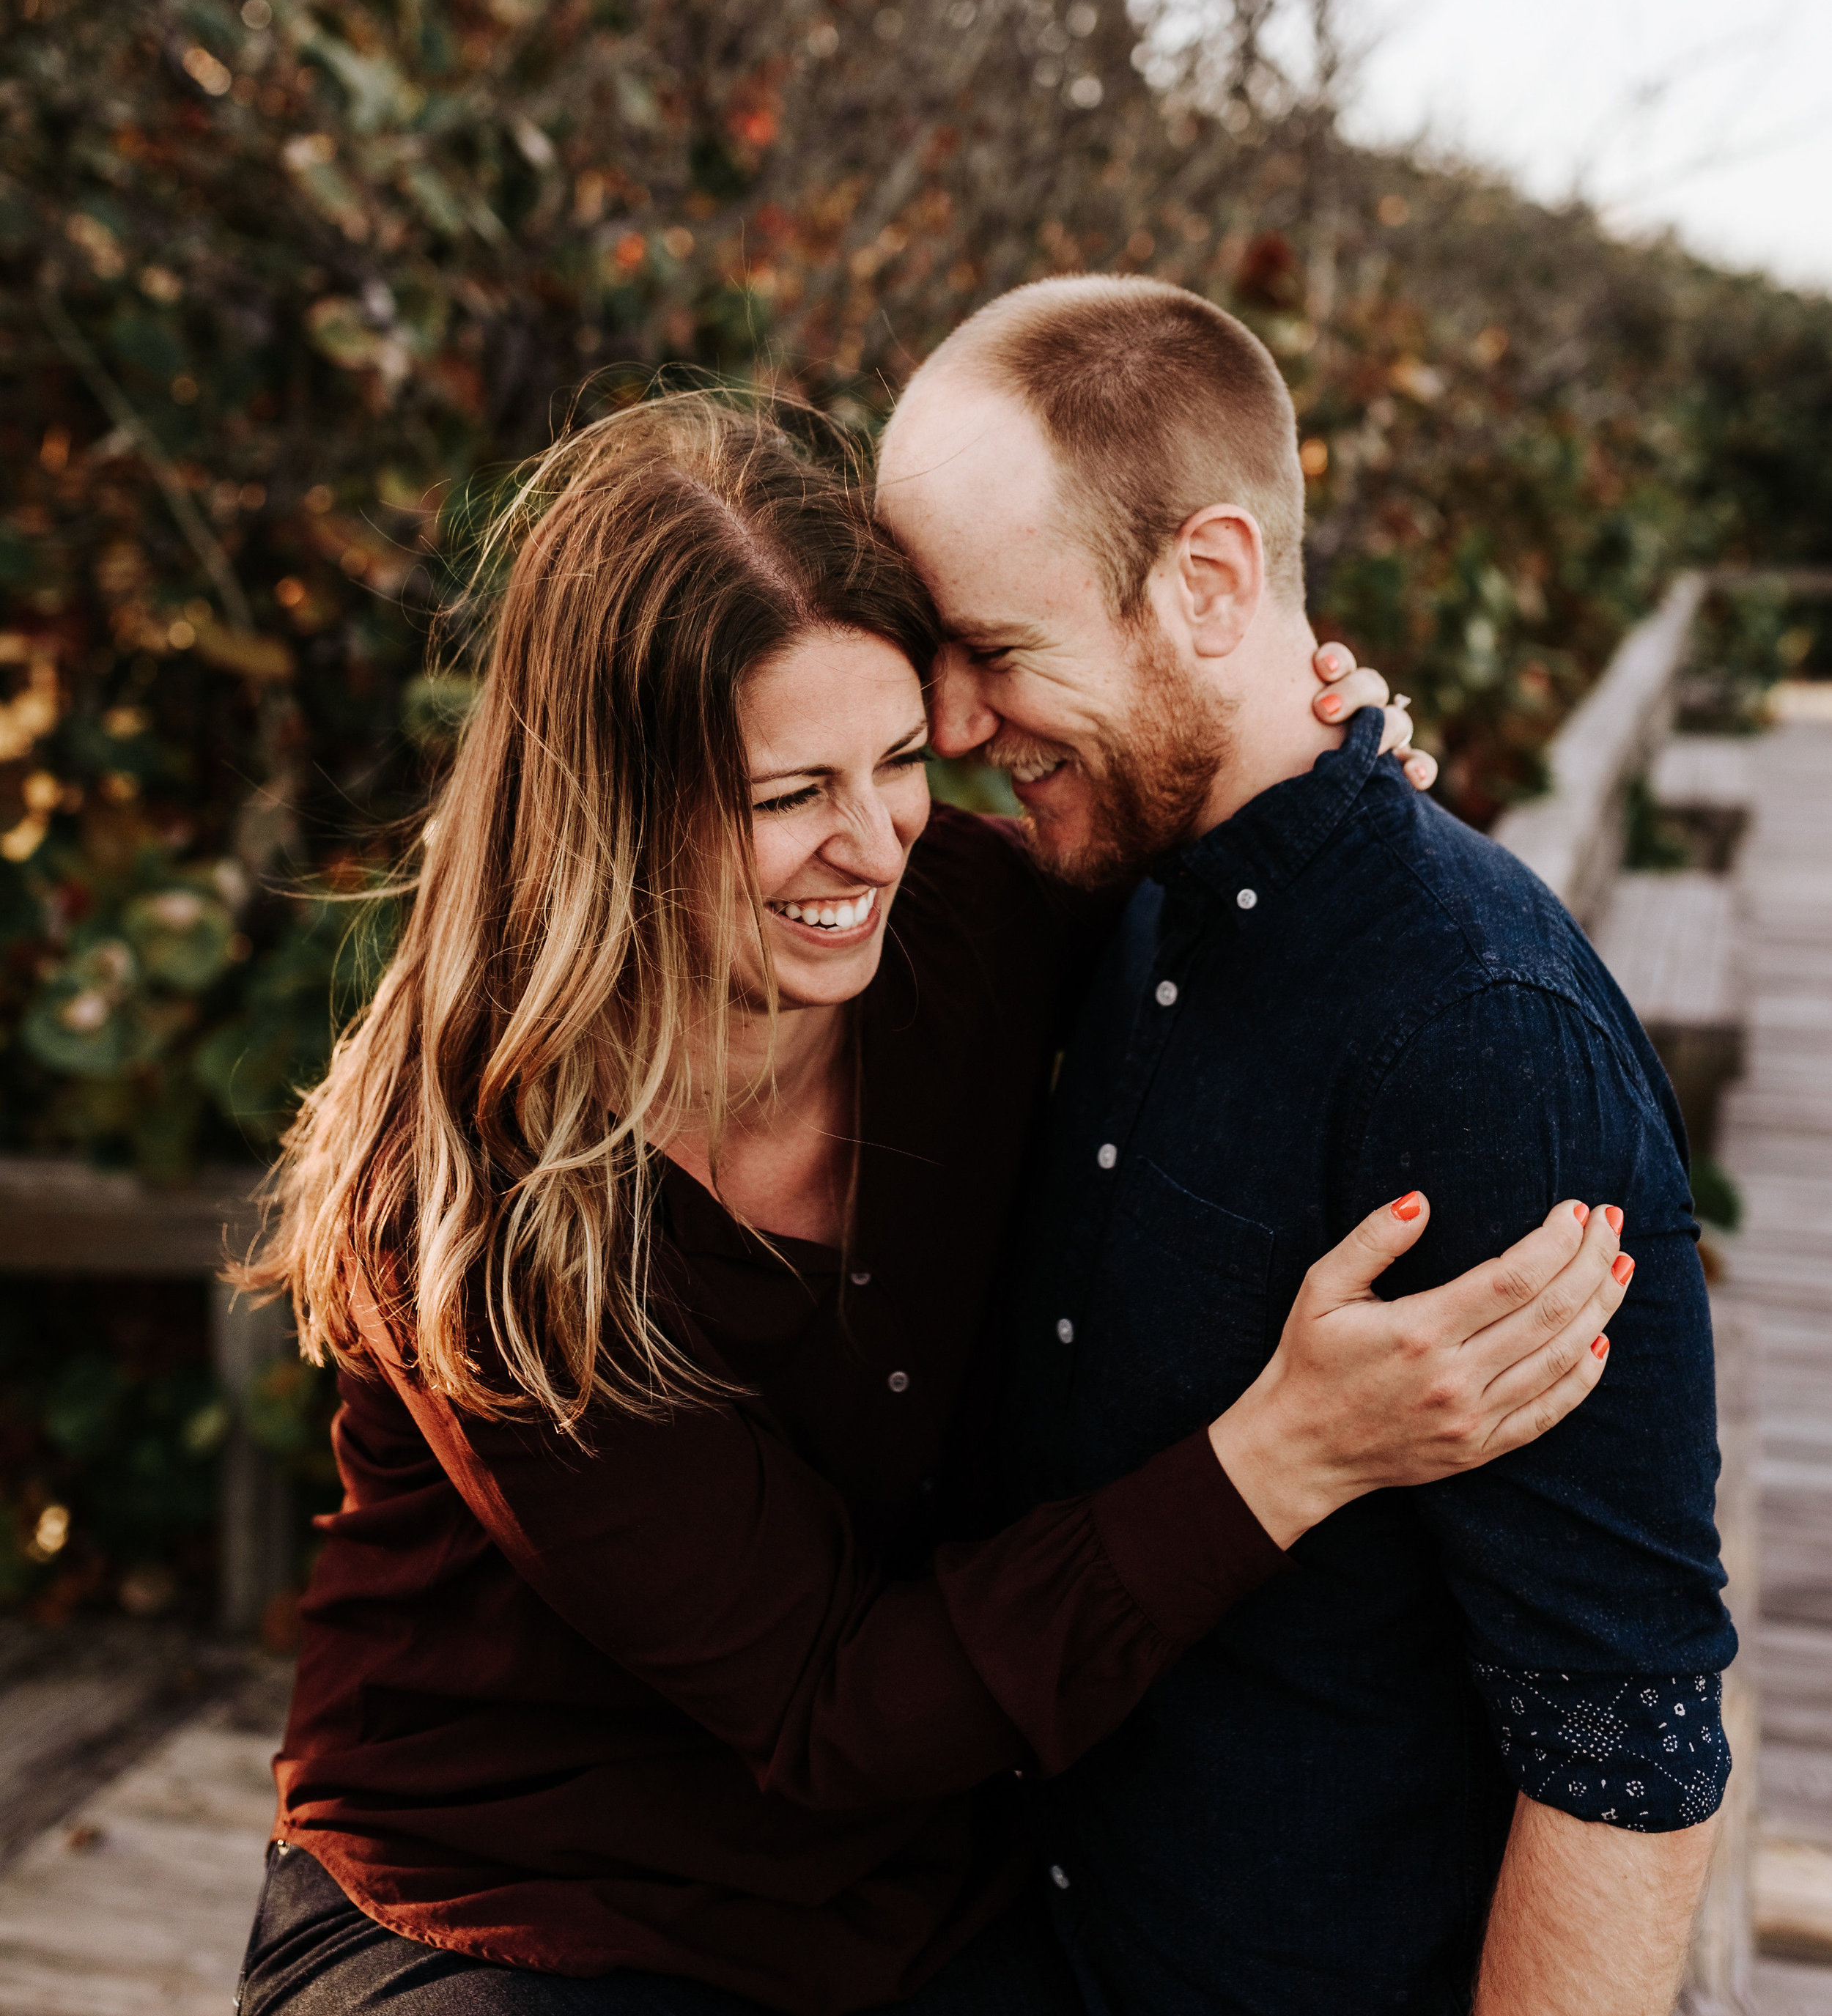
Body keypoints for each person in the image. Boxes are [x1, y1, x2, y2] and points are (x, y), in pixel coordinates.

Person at [233, 394, 1631, 2016]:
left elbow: (1236, 883)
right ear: (606, 809)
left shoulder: (962, 931)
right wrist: (1283, 1455)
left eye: (896, 759)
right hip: (518, 1900)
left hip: (918, 1885)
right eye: (783, 794)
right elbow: (829, 1699)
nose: (870, 842)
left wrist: (1311, 750)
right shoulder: (470, 1193)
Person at [874, 276, 1736, 2016]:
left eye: (995, 650)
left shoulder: (1476, 1038)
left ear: (1207, 583)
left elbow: (1620, 1743)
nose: (954, 725)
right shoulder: (1111, 896)